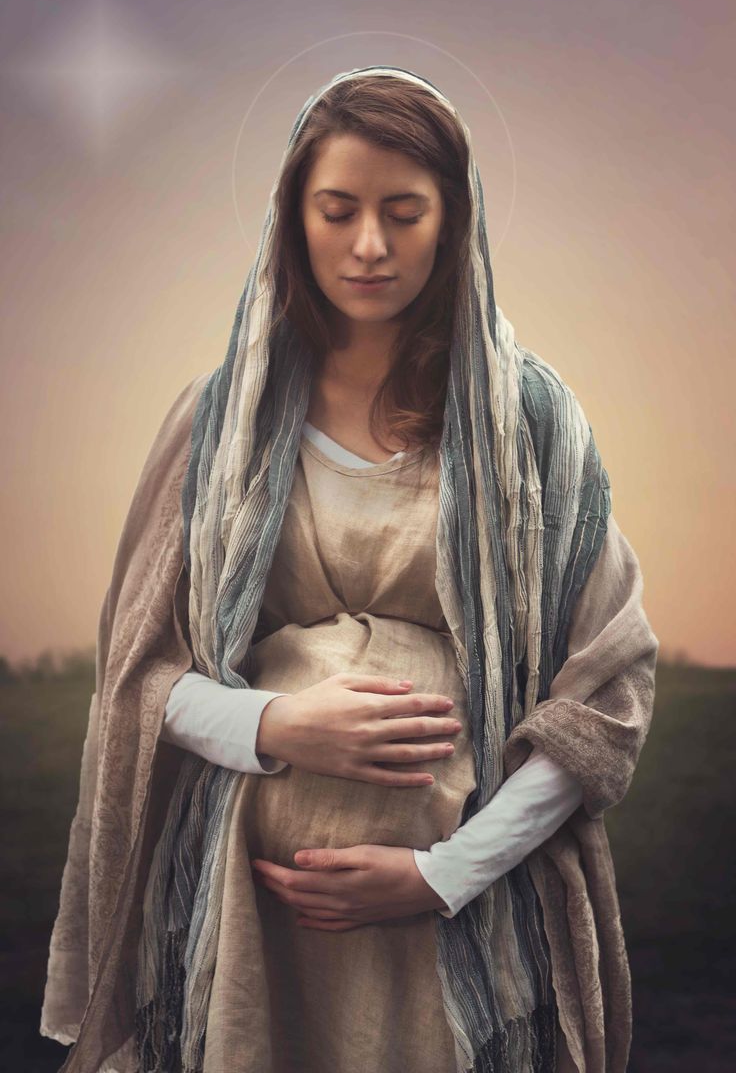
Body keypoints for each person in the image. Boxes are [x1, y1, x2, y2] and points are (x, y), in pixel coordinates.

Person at [41, 66, 659, 1073]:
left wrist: (442, 871)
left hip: (464, 917)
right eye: (338, 210)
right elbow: (138, 682)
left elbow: (604, 699)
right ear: (294, 220)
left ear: (454, 224)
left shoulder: (533, 424)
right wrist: (275, 726)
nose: (368, 245)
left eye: (403, 213)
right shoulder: (215, 425)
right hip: (244, 919)